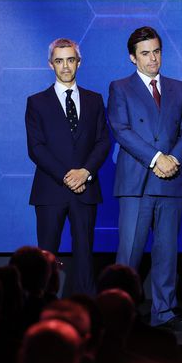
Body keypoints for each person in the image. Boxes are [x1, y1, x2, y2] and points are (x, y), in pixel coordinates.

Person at [108, 26, 182, 332]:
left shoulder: (178, 87)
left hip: (170, 181)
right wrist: (157, 158)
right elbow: (121, 130)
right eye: (145, 53)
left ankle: (165, 312)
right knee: (129, 253)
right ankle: (121, 313)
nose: (152, 58)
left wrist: (173, 160)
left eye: (156, 51)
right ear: (133, 57)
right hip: (137, 182)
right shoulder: (120, 88)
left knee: (166, 252)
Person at [25, 38, 110, 296]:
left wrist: (85, 172)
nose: (65, 66)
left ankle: (86, 309)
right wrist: (66, 176)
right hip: (50, 189)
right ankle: (40, 309)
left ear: (78, 62)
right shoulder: (37, 102)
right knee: (46, 256)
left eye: (70, 60)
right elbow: (36, 148)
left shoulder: (95, 100)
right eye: (59, 61)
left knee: (84, 253)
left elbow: (103, 141)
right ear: (51, 65)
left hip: (85, 188)